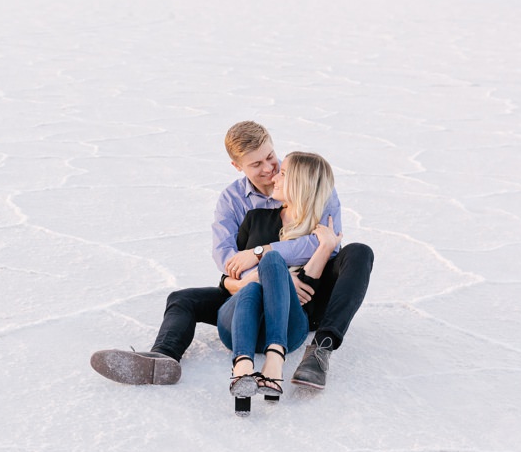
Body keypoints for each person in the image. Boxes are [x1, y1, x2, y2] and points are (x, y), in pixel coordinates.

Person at [89, 121, 374, 390]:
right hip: (252, 295)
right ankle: (162, 357)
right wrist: (263, 277)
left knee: (358, 253)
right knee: (182, 299)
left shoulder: (310, 181)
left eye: (271, 158)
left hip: (307, 298)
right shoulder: (238, 205)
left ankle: (321, 348)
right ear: (237, 166)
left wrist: (261, 253)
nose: (271, 170)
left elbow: (326, 244)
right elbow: (228, 261)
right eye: (256, 164)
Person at [217, 152, 340, 412]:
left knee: (271, 262)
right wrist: (269, 271)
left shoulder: (318, 231)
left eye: (282, 173)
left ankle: (268, 360)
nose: (274, 176)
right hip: (240, 321)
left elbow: (307, 290)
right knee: (258, 278)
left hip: (287, 327)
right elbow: (234, 272)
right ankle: (246, 363)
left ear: (298, 183)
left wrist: (324, 248)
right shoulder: (258, 219)